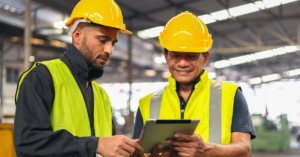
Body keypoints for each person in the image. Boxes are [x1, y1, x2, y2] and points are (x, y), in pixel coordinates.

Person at [14, 0, 143, 157]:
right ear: (77, 35)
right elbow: (28, 143)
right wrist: (95, 145)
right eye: (103, 40)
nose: (109, 50)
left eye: (113, 43)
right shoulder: (42, 77)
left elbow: (108, 150)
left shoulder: (101, 95)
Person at [133, 11, 256, 157]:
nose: (183, 63)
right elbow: (138, 153)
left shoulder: (231, 94)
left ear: (205, 58)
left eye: (191, 56)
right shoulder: (147, 103)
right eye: (175, 55)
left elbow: (244, 150)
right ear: (166, 56)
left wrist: (207, 150)